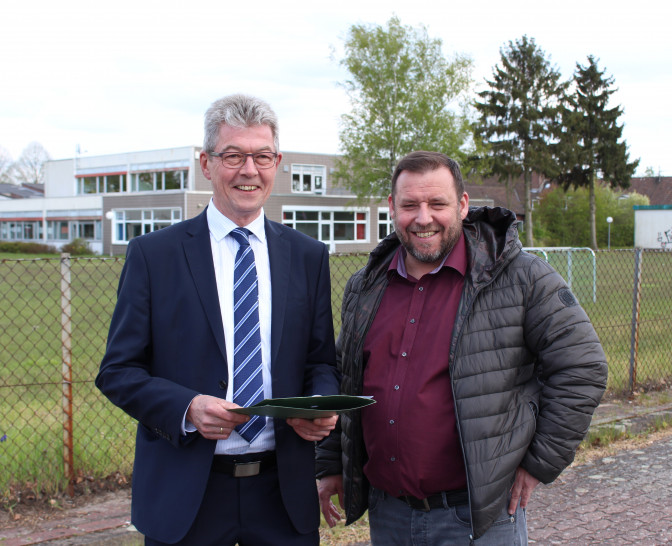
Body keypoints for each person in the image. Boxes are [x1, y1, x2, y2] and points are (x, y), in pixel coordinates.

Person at [316, 151, 608, 544]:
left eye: (437, 203)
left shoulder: (521, 278)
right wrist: (332, 461)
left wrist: (540, 463)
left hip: (479, 518)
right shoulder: (365, 286)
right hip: (390, 516)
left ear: (463, 205)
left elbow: (583, 367)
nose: (423, 218)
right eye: (409, 205)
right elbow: (346, 380)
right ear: (391, 207)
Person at [96, 93, 340, 545]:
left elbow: (321, 361)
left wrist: (319, 404)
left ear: (277, 162)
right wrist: (187, 408)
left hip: (281, 495)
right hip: (189, 493)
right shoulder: (155, 256)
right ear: (207, 164)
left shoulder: (308, 256)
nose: (249, 170)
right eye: (233, 156)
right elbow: (118, 372)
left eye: (262, 156)